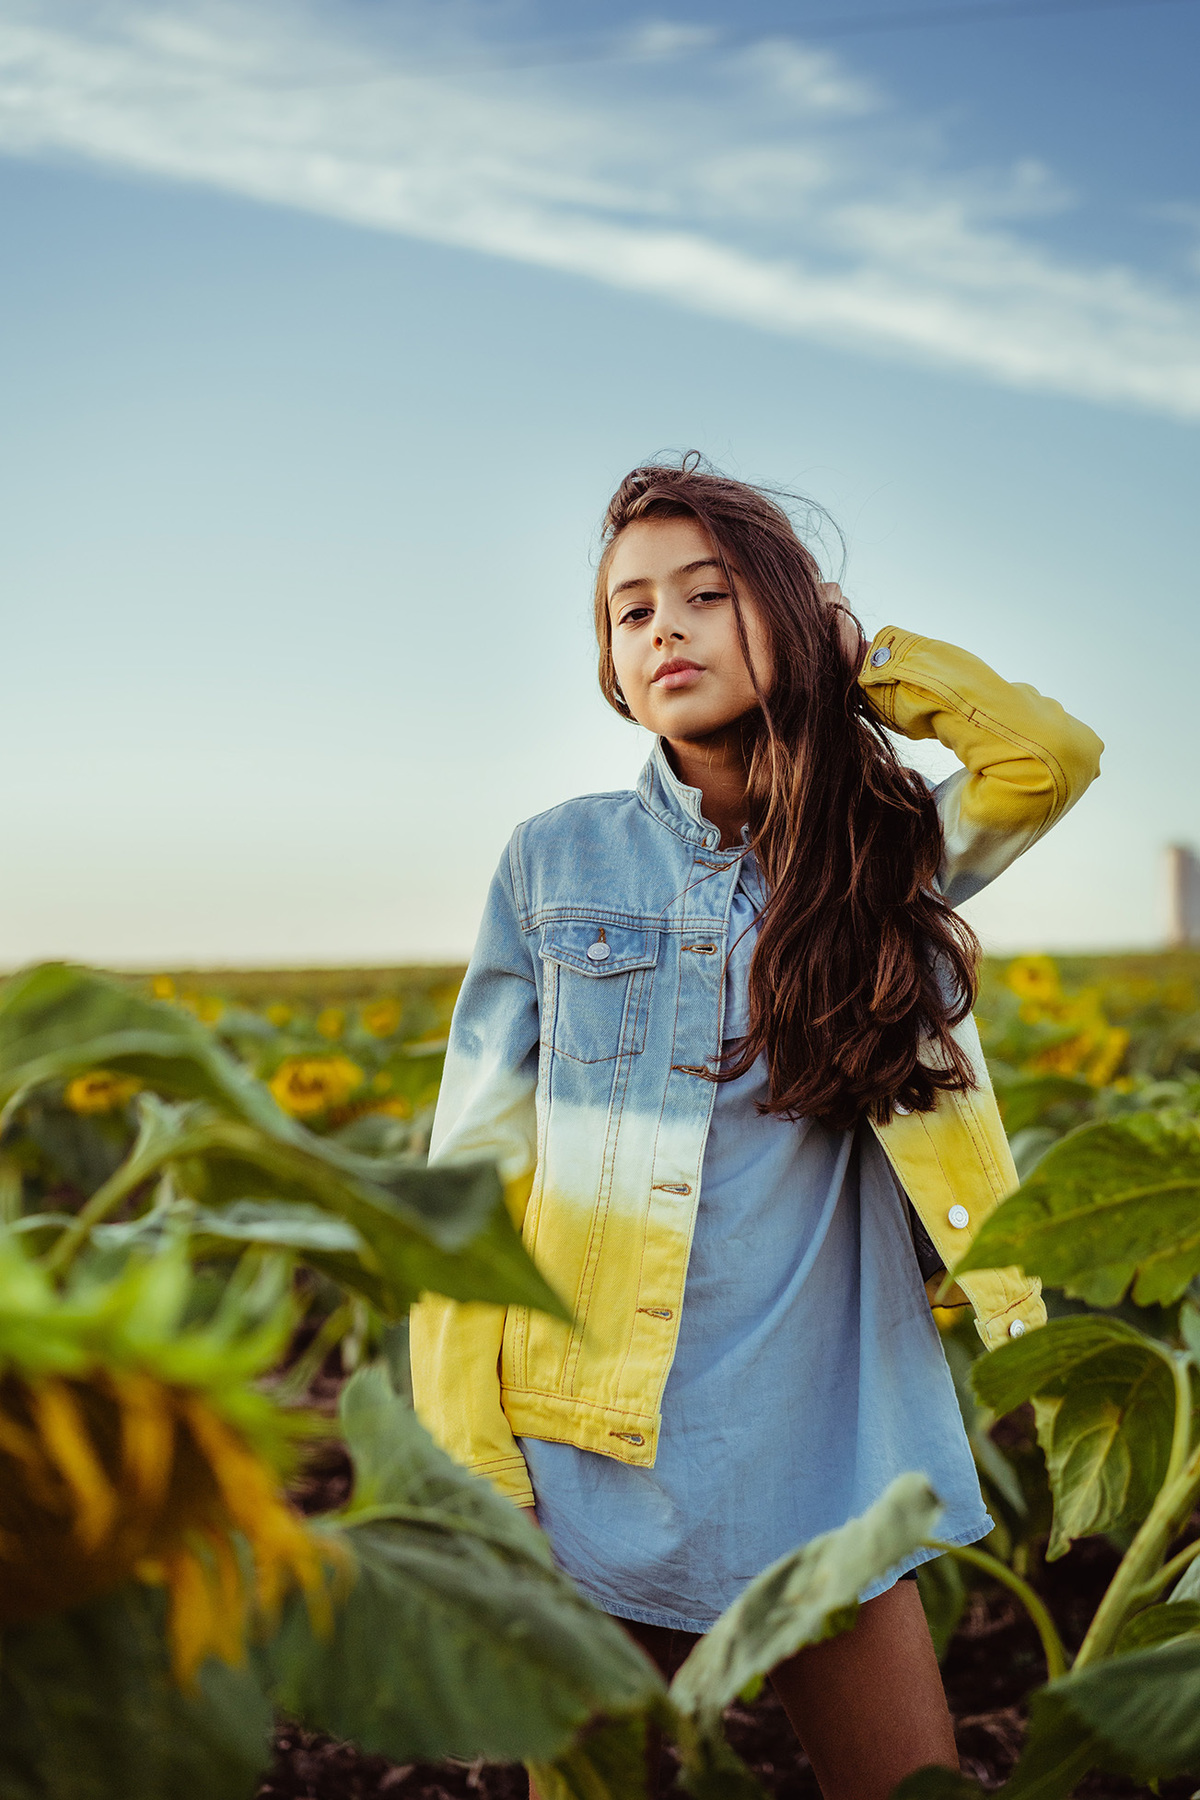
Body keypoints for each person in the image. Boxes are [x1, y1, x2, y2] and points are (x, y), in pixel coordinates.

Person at [410, 460, 1103, 1800]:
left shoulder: (881, 849)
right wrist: (479, 1467)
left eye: (709, 596)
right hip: (593, 1438)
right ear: (610, 666)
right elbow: (472, 1177)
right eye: (630, 612)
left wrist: (861, 660)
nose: (663, 629)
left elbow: (1046, 760)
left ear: (787, 614)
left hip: (825, 1444)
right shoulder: (554, 861)